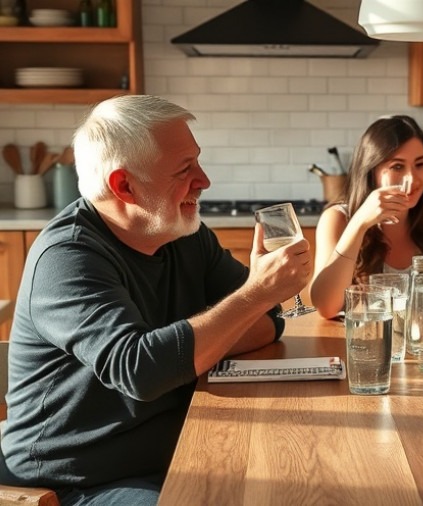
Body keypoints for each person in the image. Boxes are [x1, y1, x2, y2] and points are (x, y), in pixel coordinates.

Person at [0, 95, 310, 505]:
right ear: (124, 185)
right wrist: (250, 298)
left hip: (180, 448)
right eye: (185, 169)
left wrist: (219, 325)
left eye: (197, 161)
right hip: (75, 480)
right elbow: (141, 371)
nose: (204, 180)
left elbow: (269, 320)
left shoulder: (183, 231)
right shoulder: (66, 258)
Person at [311, 115, 423, 318]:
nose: (412, 178)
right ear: (372, 171)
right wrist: (360, 224)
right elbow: (326, 307)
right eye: (397, 166)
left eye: (420, 164)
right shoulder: (338, 219)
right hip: (366, 343)